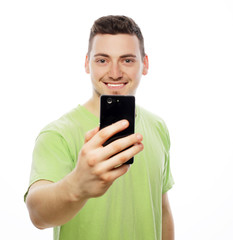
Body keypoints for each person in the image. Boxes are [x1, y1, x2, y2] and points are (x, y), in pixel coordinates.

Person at [25, 15, 175, 240]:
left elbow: (162, 210)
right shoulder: (58, 134)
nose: (114, 72)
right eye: (102, 60)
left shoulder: (157, 126)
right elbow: (38, 214)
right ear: (87, 63)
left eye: (127, 60)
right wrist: (76, 185)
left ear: (145, 64)